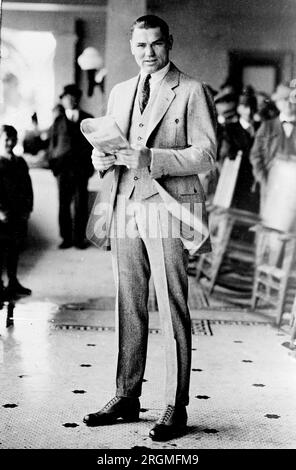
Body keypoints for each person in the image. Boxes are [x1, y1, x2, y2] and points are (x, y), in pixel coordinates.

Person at [83, 15, 217, 441]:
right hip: (123, 204)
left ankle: (175, 407)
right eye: (140, 46)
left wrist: (153, 158)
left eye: (155, 44)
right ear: (132, 47)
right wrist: (100, 160)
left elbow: (207, 154)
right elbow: (108, 148)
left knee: (173, 304)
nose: (148, 53)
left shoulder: (192, 90)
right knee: (129, 302)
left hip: (169, 208)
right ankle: (126, 395)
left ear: (169, 43)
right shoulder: (121, 91)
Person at [48, 84, 94, 249]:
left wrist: (90, 167)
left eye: (72, 97)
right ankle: (66, 238)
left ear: (77, 99)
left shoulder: (89, 119)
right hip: (63, 169)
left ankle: (79, 239)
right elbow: (52, 146)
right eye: (66, 97)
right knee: (63, 204)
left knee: (81, 204)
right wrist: (54, 166)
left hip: (81, 169)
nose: (68, 100)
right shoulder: (58, 121)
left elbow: (94, 145)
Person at [250, 83, 296, 209]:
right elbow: (256, 156)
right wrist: (264, 180)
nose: (288, 104)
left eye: (292, 99)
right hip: (272, 186)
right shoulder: (267, 127)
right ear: (277, 103)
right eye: (283, 100)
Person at [0, 125, 33, 300]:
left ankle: (13, 282)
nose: (9, 143)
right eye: (6, 139)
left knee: (15, 248)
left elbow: (28, 187)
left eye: (12, 139)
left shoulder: (20, 162)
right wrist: (1, 211)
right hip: (3, 216)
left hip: (18, 213)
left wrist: (28, 209)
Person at [219, 86, 260, 213]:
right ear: (239, 108)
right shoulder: (231, 130)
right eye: (246, 107)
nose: (250, 111)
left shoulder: (260, 128)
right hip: (237, 182)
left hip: (256, 182)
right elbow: (224, 157)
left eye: (252, 107)